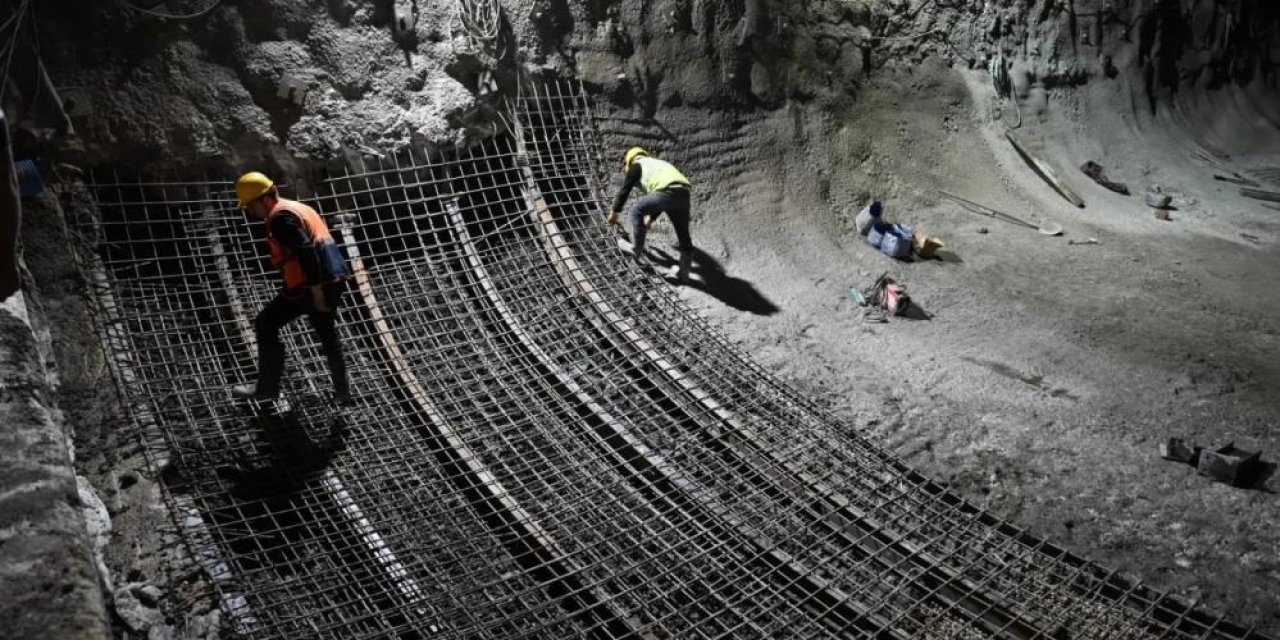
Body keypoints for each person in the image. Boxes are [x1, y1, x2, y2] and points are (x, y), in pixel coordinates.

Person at [230, 172, 353, 405]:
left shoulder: (279, 218)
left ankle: (267, 389)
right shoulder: (298, 207)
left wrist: (315, 292)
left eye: (251, 206)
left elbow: (306, 250)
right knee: (327, 334)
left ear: (265, 199)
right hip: (333, 277)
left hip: (313, 283)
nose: (252, 213)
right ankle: (343, 393)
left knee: (266, 323)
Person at [607, 146, 695, 282]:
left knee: (636, 211)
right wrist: (651, 219)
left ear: (630, 160)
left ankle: (636, 248)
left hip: (666, 192)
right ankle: (684, 273)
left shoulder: (637, 166)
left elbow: (625, 191)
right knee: (683, 234)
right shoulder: (657, 164)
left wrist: (614, 212)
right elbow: (662, 198)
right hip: (683, 194)